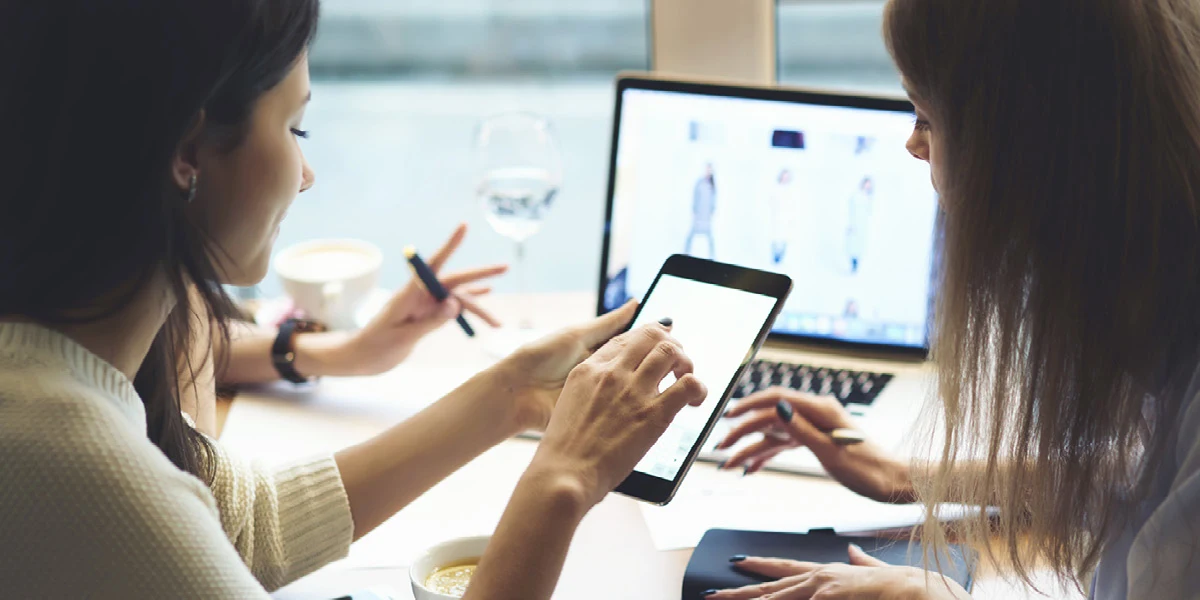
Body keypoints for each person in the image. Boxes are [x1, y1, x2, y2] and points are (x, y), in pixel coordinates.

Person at [0, 2, 708, 598]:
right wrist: (563, 480)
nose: (306, 174)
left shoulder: (60, 381)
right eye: (294, 128)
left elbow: (245, 528)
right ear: (188, 151)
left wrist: (513, 393)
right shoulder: (79, 466)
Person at [706, 0, 1200, 598]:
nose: (913, 145)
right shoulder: (1159, 317)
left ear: (1025, 147)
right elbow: (1129, 471)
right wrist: (900, 474)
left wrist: (934, 595)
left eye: (926, 117)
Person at [178, 224, 506, 437]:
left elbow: (191, 344)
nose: (307, 176)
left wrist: (353, 352)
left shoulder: (172, 305)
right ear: (187, 160)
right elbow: (224, 498)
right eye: (295, 138)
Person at [686, 162, 718, 259]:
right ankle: (686, 253)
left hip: (706, 215)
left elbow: (713, 199)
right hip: (699, 213)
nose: (708, 171)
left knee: (710, 237)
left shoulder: (712, 185)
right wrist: (694, 209)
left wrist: (712, 210)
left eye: (710, 169)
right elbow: (695, 196)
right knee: (691, 234)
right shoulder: (700, 182)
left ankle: (712, 257)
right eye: (707, 169)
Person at [845, 176, 875, 274]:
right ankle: (853, 263)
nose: (867, 186)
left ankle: (856, 263)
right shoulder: (856, 196)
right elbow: (851, 211)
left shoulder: (868, 198)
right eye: (866, 184)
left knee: (859, 246)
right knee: (853, 245)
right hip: (855, 225)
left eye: (869, 185)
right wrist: (851, 224)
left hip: (862, 226)